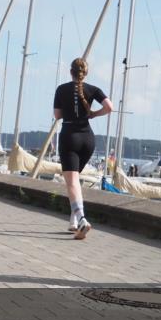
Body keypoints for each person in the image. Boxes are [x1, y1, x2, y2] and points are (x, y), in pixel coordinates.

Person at [53, 58, 113, 240]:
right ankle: (73, 221)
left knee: (71, 182)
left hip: (70, 136)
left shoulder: (61, 89)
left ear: (70, 71)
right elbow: (109, 107)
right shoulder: (93, 89)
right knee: (75, 181)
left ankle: (81, 219)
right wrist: (93, 114)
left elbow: (57, 115)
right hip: (87, 138)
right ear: (85, 73)